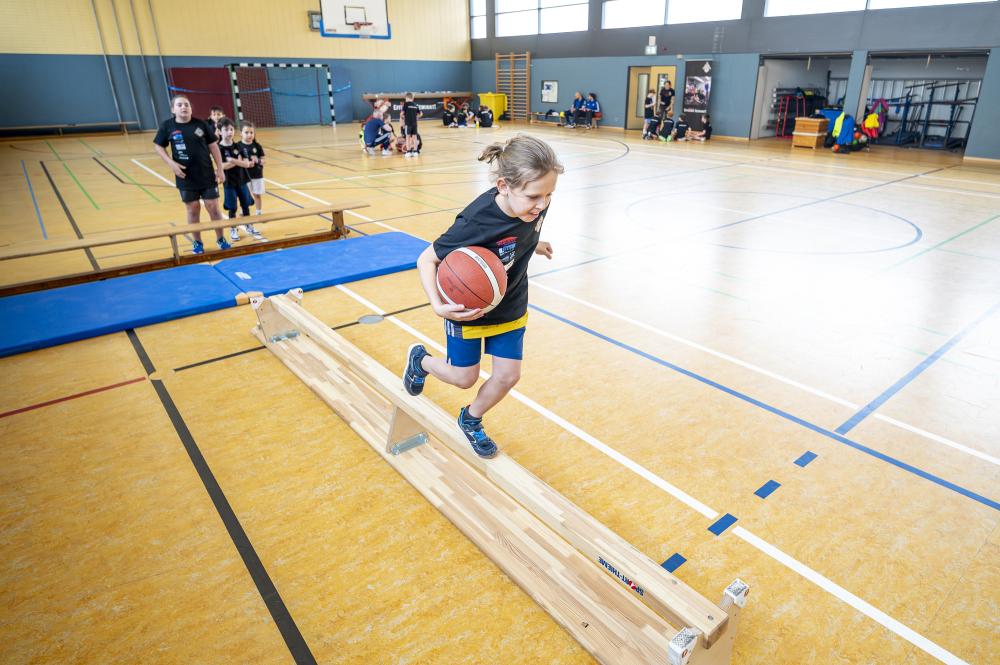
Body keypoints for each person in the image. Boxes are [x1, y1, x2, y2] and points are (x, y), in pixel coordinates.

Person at [403, 135, 564, 458]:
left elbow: (517, 233)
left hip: (511, 304)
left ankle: (471, 418)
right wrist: (438, 305)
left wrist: (533, 244)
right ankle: (421, 361)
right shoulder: (475, 221)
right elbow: (426, 259)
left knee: (508, 376)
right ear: (503, 186)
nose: (542, 204)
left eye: (549, 194)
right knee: (464, 378)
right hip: (469, 310)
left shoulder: (535, 204)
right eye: (534, 196)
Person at [152, 94, 229, 254]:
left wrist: (220, 169)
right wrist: (171, 164)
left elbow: (214, 147)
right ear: (173, 109)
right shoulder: (167, 126)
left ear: (191, 109)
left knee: (213, 208)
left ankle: (221, 238)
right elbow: (158, 146)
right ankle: (197, 242)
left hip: (206, 174)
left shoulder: (201, 124)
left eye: (186, 104)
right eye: (179, 105)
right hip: (185, 177)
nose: (184, 107)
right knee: (193, 209)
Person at [216, 118, 255, 242]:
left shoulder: (238, 146)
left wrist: (232, 160)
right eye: (226, 130)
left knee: (246, 204)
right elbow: (221, 166)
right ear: (219, 131)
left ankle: (248, 224)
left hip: (242, 180)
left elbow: (246, 163)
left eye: (231, 129)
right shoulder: (218, 148)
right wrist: (238, 161)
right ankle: (233, 228)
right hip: (229, 182)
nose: (229, 132)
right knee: (232, 207)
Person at [238, 121, 266, 239]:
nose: (249, 135)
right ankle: (244, 214)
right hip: (244, 176)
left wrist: (258, 160)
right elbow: (238, 160)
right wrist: (244, 162)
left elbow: (263, 160)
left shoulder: (257, 146)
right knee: (246, 197)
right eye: (246, 132)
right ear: (241, 133)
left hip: (257, 175)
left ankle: (258, 213)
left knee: (257, 195)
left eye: (251, 132)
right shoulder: (238, 146)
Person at [402, 92, 422, 157]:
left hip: (408, 123)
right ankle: (415, 152)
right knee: (414, 137)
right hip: (414, 123)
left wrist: (404, 117)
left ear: (407, 98)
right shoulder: (415, 105)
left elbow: (401, 114)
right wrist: (416, 117)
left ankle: (408, 152)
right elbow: (421, 114)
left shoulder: (406, 104)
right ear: (412, 98)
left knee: (407, 137)